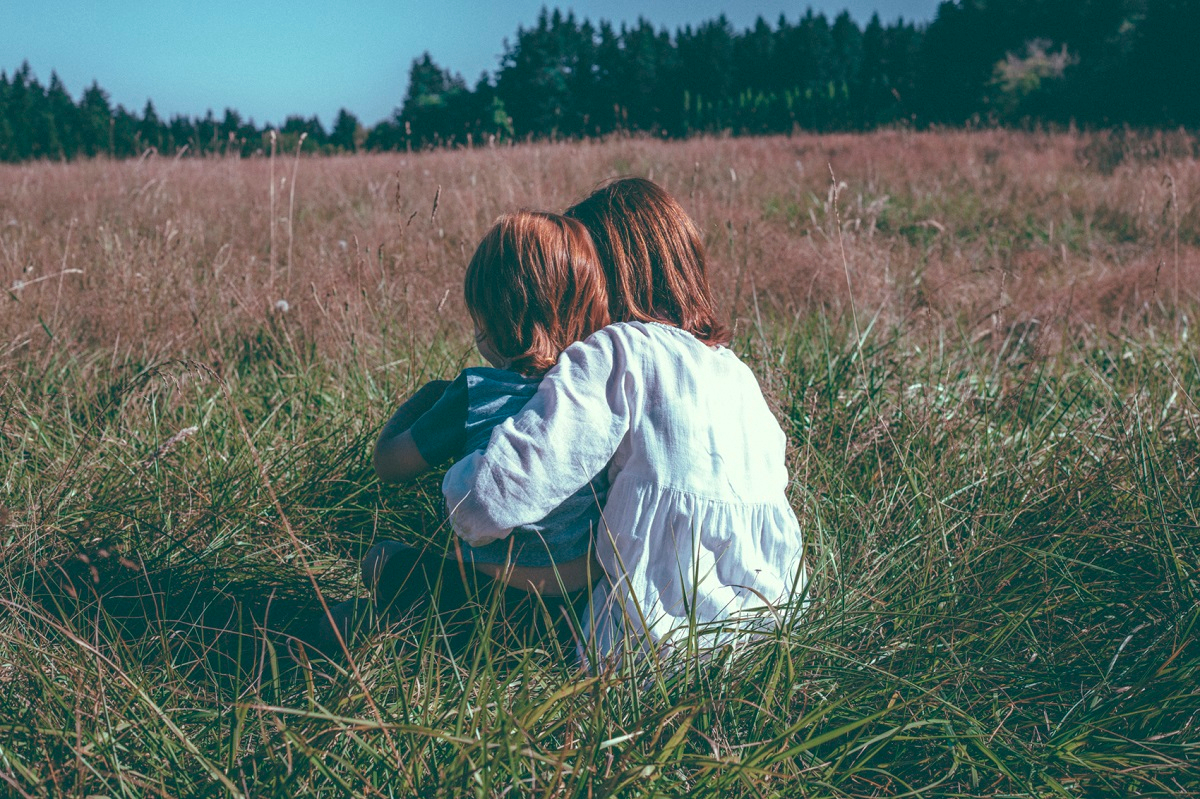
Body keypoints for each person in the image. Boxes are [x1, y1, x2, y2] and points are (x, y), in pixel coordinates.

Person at [443, 178, 808, 659]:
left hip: (640, 651)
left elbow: (490, 500)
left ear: (606, 278)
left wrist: (450, 486)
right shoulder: (739, 376)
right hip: (764, 640)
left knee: (390, 564)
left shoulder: (619, 352)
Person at [322, 210, 613, 654]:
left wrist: (427, 398)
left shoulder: (474, 393)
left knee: (378, 561)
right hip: (572, 617)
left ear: (492, 319)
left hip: (478, 601)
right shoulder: (601, 397)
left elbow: (389, 464)